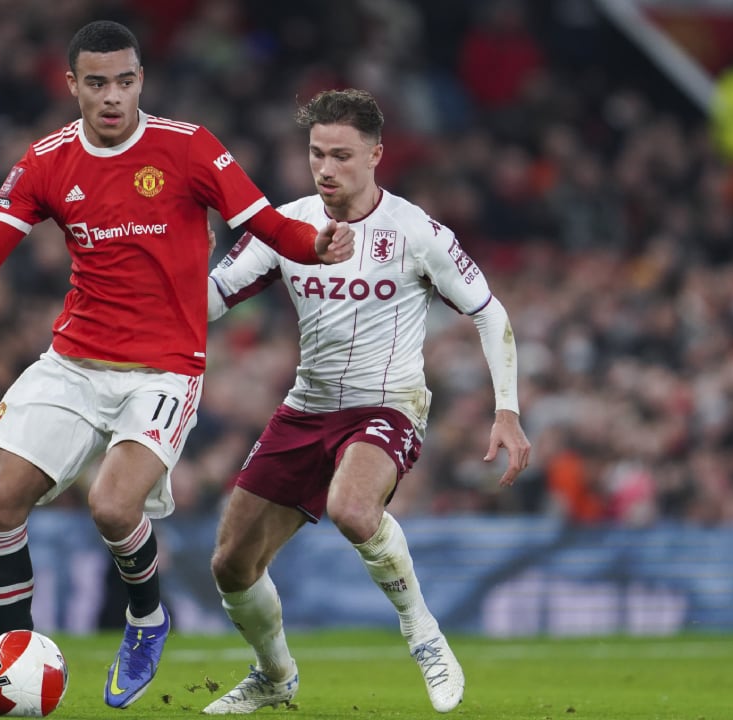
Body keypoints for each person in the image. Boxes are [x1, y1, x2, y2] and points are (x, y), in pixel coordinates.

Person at [0, 21, 355, 714]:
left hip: (163, 369)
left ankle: (147, 618)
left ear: (140, 82)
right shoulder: (46, 160)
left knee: (112, 503)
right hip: (72, 362)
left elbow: (265, 223)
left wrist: (316, 243)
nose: (111, 96)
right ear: (72, 85)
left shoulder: (188, 148)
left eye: (124, 81)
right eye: (96, 83)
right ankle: (17, 666)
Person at [202, 89, 531, 715]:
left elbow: (490, 314)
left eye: (342, 156)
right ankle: (274, 677)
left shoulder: (416, 232)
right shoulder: (285, 225)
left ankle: (425, 636)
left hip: (388, 405)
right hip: (307, 407)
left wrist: (507, 410)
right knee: (230, 566)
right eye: (317, 154)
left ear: (377, 154)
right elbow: (212, 299)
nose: (326, 169)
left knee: (352, 509)